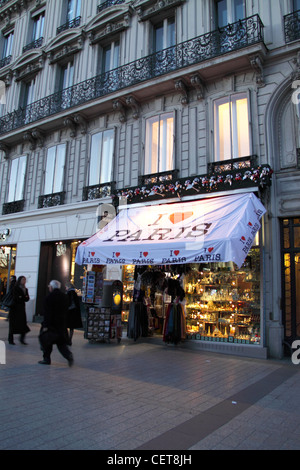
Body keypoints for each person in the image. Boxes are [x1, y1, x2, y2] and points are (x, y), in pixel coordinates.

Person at [38, 280, 74, 366]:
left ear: (51, 287)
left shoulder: (49, 297)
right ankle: (68, 355)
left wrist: (46, 325)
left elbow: (48, 313)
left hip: (51, 325)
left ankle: (46, 358)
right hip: (61, 324)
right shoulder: (64, 297)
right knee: (61, 343)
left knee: (47, 341)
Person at [8, 276, 30, 345]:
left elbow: (27, 298)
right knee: (13, 325)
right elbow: (16, 297)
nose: (24, 281)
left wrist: (22, 297)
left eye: (25, 280)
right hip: (15, 309)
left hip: (21, 309)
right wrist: (23, 297)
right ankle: (10, 339)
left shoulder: (25, 289)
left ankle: (22, 339)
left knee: (23, 324)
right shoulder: (16, 288)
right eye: (23, 280)